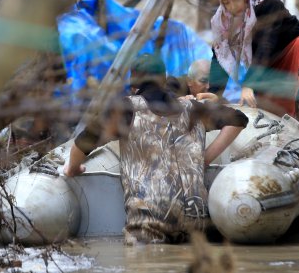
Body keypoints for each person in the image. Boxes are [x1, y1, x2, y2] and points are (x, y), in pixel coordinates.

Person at [64, 53, 248, 245]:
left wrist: (72, 168)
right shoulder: (192, 108)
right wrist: (206, 158)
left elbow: (82, 143)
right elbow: (239, 119)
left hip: (148, 225)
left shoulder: (126, 109)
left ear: (133, 84)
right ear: (164, 79)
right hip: (197, 222)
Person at [208, 0, 299, 134]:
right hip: (265, 68)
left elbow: (266, 46)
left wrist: (249, 84)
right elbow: (220, 56)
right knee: (271, 122)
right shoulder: (223, 21)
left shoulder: (268, 4)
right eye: (226, 2)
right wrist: (214, 93)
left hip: (290, 57)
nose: (232, 6)